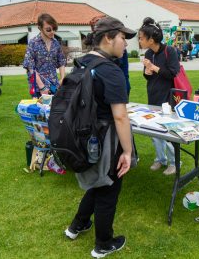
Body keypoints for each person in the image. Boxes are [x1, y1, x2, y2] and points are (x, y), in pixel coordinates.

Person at [64, 16, 135, 258]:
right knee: (109, 188)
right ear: (108, 38)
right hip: (106, 140)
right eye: (123, 38)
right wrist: (127, 152)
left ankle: (78, 225)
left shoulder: (82, 62)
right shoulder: (110, 71)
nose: (126, 44)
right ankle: (103, 243)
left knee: (98, 182)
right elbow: (121, 117)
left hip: (84, 136)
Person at [139, 17, 180, 175]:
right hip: (153, 96)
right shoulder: (149, 52)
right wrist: (147, 72)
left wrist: (153, 68)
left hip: (168, 98)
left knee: (168, 132)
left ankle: (174, 162)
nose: (140, 41)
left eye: (142, 38)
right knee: (154, 130)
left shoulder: (170, 51)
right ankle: (160, 159)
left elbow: (172, 73)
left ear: (151, 39)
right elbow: (148, 76)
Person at [22, 13, 66, 97]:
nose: (52, 32)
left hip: (54, 85)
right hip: (38, 87)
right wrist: (42, 87)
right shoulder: (33, 43)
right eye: (48, 30)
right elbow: (30, 67)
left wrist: (63, 78)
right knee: (40, 110)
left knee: (55, 109)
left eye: (54, 29)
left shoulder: (56, 43)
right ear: (40, 28)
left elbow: (61, 61)